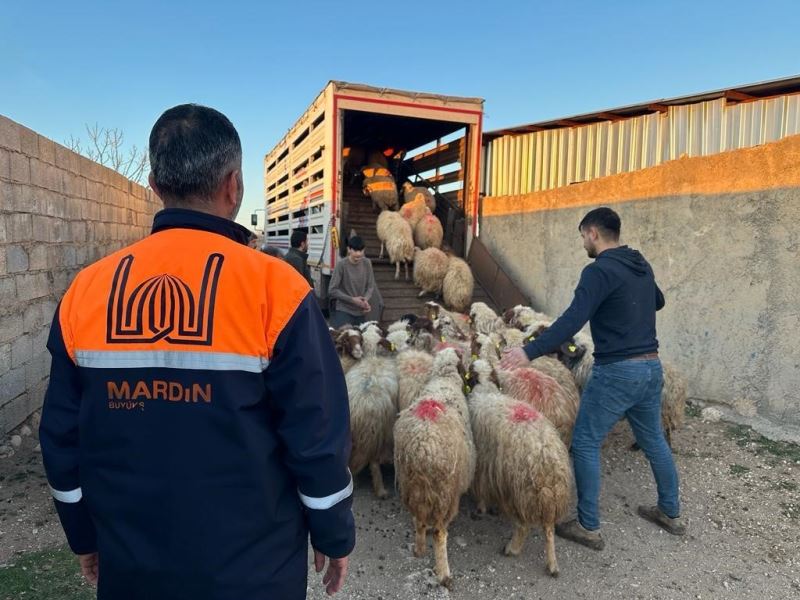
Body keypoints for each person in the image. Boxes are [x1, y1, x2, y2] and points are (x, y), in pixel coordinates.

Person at [39, 104, 355, 599]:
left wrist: (82, 534)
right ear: (234, 186)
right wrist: (333, 530)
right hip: (254, 575)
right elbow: (316, 431)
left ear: (153, 184)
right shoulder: (278, 290)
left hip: (133, 571)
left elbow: (60, 439)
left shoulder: (86, 292)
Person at [501, 206, 684, 550]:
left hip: (617, 370)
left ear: (593, 233)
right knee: (654, 440)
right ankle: (670, 512)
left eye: (583, 235)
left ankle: (588, 525)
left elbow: (572, 320)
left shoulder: (597, 271)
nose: (583, 242)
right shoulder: (639, 263)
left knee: (584, 441)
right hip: (650, 367)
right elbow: (657, 300)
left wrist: (528, 351)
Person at [327, 236, 376, 327]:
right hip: (344, 310)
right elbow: (332, 290)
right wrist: (352, 300)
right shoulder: (341, 265)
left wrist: (365, 300)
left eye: (361, 251)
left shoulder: (367, 263)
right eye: (355, 250)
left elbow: (370, 286)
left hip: (361, 311)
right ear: (349, 249)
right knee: (343, 338)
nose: (358, 254)